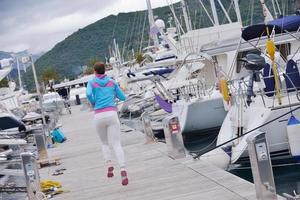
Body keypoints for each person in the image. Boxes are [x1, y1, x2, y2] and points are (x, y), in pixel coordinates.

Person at [86, 62, 128, 186]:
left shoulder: (92, 82)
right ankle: (123, 169)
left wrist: (94, 102)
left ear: (95, 71)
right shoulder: (112, 82)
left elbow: (88, 94)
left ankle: (109, 164)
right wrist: (113, 95)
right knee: (116, 143)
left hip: (99, 115)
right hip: (111, 114)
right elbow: (123, 97)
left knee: (104, 143)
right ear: (104, 71)